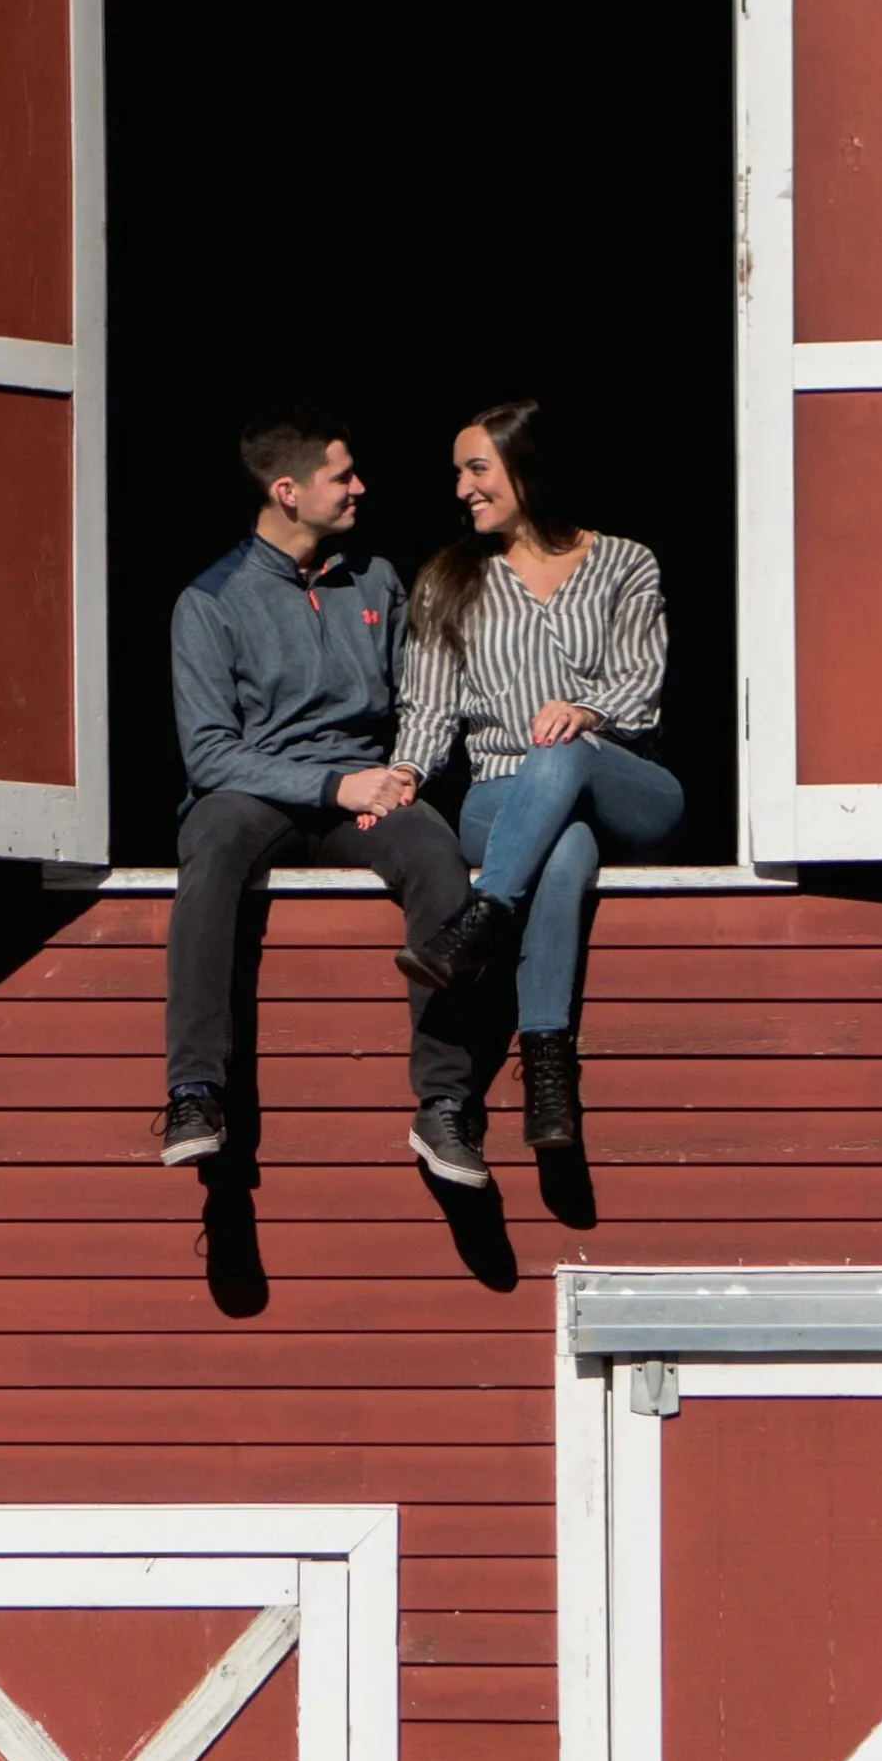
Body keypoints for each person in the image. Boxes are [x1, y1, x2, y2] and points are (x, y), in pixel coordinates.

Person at [160, 419, 499, 1190]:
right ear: (288, 492)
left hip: (366, 794)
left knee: (434, 848)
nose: (359, 488)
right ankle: (194, 1092)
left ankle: (445, 1102)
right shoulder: (209, 601)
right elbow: (209, 752)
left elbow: (419, 695)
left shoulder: (375, 579)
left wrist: (402, 772)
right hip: (254, 794)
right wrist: (329, 786)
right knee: (208, 844)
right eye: (341, 477)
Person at [388, 397, 679, 1155]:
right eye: (457, 474)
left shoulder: (626, 561)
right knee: (566, 846)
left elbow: (641, 690)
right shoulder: (446, 580)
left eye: (477, 469)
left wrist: (583, 713)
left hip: (620, 775)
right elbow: (428, 708)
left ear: (526, 467)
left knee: (561, 754)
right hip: (500, 796)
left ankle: (481, 919)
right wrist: (403, 774)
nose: (462, 489)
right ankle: (549, 1068)